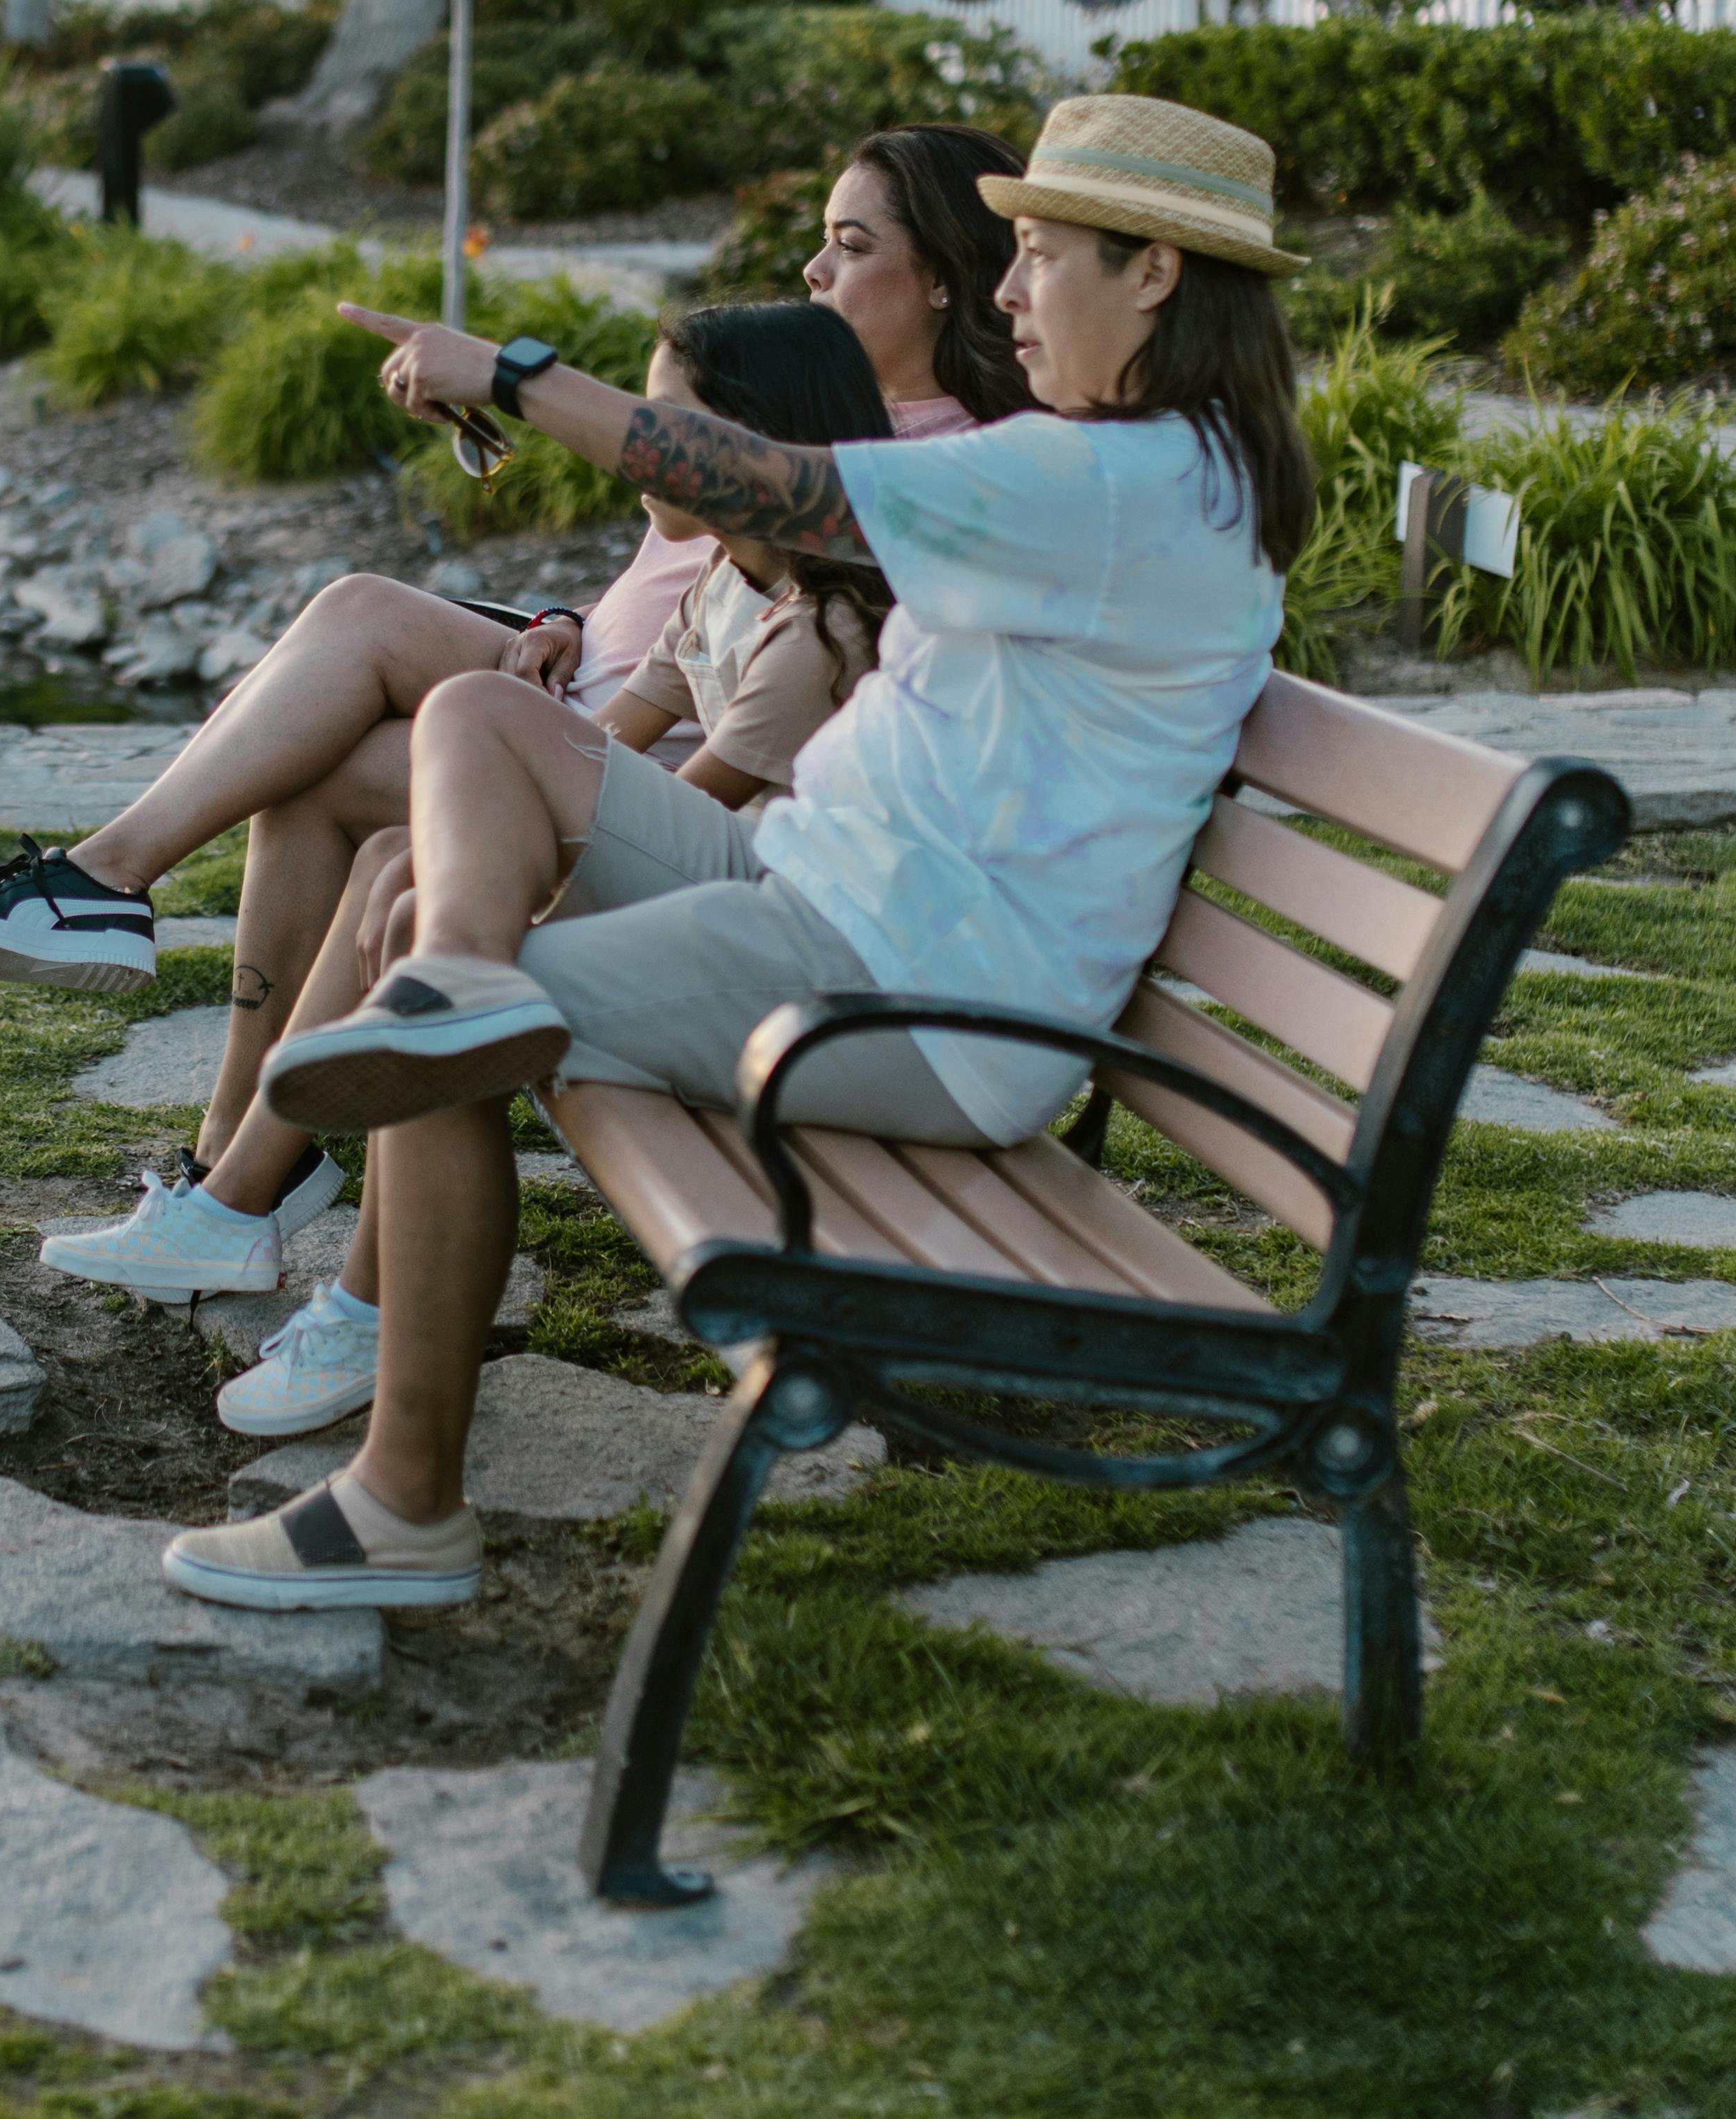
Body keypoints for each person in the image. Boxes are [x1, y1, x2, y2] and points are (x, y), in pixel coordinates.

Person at [154, 94, 1315, 1612]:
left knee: (420, 1035)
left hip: (911, 995)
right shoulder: (1138, 466)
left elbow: (772, 488)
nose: (1013, 290)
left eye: (1041, 256)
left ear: (1154, 273)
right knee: (480, 729)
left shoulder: (1117, 485)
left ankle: (403, 1503)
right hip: (816, 898)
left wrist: (506, 371)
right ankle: (462, 974)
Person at [0, 129, 1026, 1314]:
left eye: (849, 248)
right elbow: (675, 600)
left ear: (945, 279)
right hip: (595, 695)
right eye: (819, 241)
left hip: (645, 770)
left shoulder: (913, 462)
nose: (812, 270)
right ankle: (191, 1087)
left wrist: (507, 375)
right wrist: (557, 617)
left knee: (330, 771)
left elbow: (778, 665)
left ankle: (217, 1149)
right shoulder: (813, 386)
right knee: (356, 620)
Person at [50, 302, 901, 1442]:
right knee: (412, 864)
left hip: (747, 943)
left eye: (667, 421)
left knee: (433, 918)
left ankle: (315, 1268)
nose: (640, 437)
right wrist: (523, 707)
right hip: (695, 892)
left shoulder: (816, 635)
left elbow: (679, 823)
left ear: (753, 444)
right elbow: (616, 736)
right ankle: (251, 1216)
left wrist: (494, 838)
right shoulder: (723, 584)